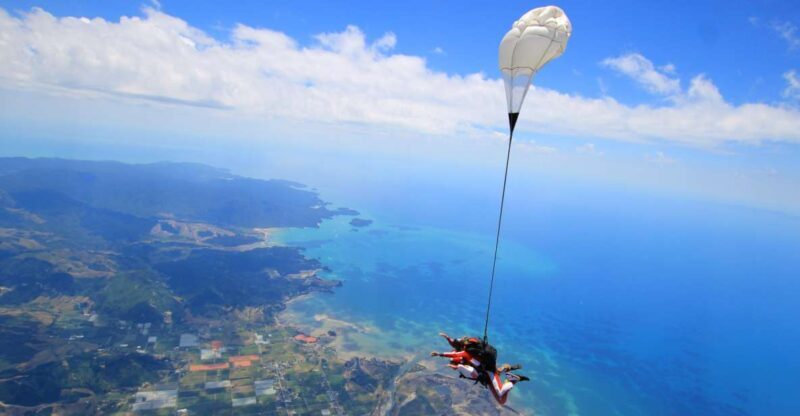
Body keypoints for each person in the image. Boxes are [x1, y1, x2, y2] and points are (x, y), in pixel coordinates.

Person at [432, 332, 529, 405]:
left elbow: (454, 354)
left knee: (500, 395)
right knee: (501, 401)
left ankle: (511, 380)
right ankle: (510, 377)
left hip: (489, 374)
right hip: (489, 373)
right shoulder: (470, 352)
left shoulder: (465, 355)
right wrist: (447, 338)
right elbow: (455, 345)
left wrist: (440, 354)